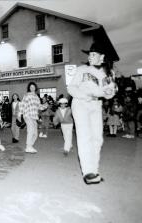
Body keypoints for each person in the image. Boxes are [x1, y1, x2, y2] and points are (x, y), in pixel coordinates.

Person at [67, 42, 116, 185]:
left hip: (96, 104)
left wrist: (109, 91)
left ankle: (94, 170)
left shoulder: (107, 73)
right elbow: (71, 88)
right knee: (85, 137)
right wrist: (83, 96)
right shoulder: (82, 69)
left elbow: (109, 93)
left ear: (102, 56)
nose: (90, 56)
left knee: (97, 138)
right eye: (89, 54)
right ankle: (88, 172)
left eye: (93, 54)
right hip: (80, 103)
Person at [17, 82, 43, 154]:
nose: (32, 88)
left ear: (35, 87)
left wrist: (44, 106)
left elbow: (39, 106)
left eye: (33, 86)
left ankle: (29, 146)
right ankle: (28, 146)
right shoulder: (27, 95)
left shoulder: (37, 97)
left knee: (35, 134)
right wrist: (19, 114)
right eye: (31, 87)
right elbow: (22, 104)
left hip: (34, 116)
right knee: (31, 131)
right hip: (28, 115)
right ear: (29, 88)